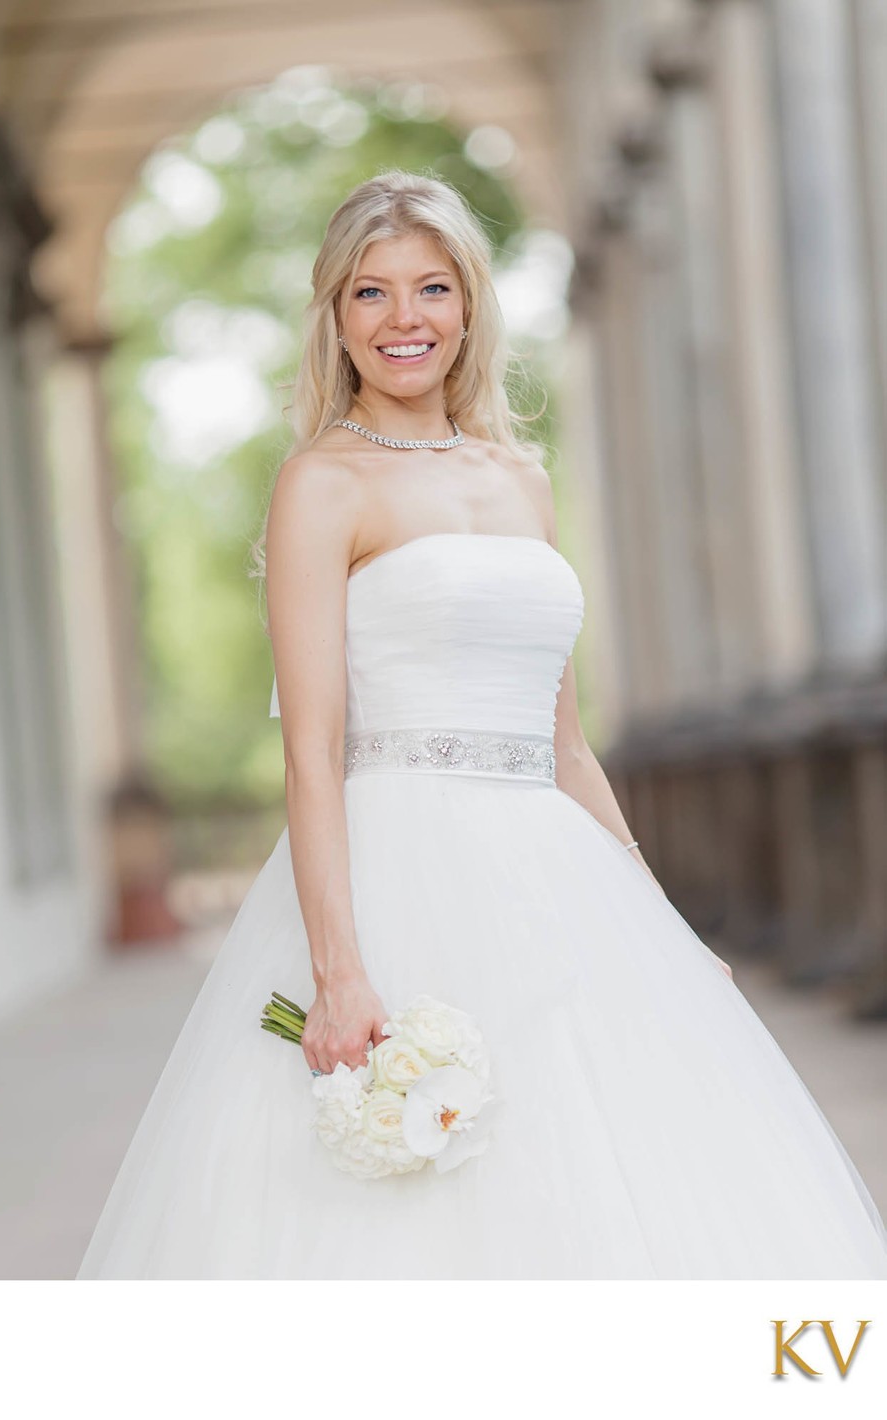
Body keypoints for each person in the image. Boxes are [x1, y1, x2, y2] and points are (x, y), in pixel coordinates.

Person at [76, 169, 887, 1280]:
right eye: (370, 293)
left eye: (430, 288)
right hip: (396, 867)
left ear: (468, 305)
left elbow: (560, 743)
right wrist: (339, 968)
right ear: (335, 316)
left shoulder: (521, 477)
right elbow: (310, 752)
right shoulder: (320, 484)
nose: (403, 320)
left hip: (555, 879)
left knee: (603, 1178)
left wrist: (664, 924)